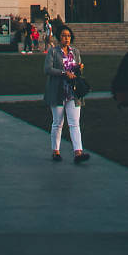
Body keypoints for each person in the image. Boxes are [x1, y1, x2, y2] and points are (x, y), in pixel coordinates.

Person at [43, 26, 91, 164]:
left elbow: (77, 70)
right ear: (59, 37)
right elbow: (47, 69)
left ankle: (78, 152)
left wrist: (78, 69)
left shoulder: (75, 52)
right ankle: (55, 151)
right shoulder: (53, 52)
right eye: (64, 36)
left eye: (69, 36)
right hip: (58, 91)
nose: (66, 38)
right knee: (58, 123)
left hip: (73, 92)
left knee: (74, 123)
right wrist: (64, 73)